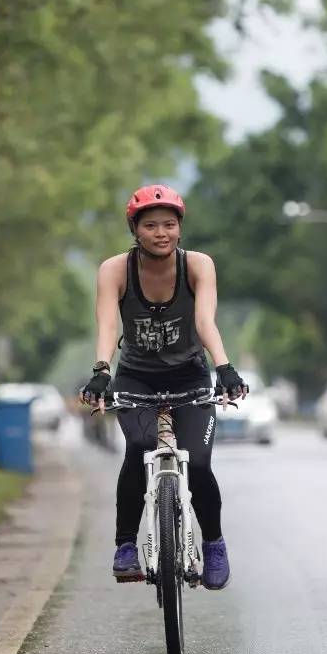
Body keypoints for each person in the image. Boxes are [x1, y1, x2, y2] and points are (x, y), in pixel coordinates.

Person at [79, 184, 248, 590]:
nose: (161, 233)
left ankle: (213, 544)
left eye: (169, 225)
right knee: (138, 448)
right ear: (134, 230)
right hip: (136, 377)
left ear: (180, 228)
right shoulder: (115, 270)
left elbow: (206, 322)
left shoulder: (198, 265)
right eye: (150, 225)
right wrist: (102, 371)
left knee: (201, 464)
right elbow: (106, 325)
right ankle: (124, 546)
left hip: (189, 376)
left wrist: (223, 368)